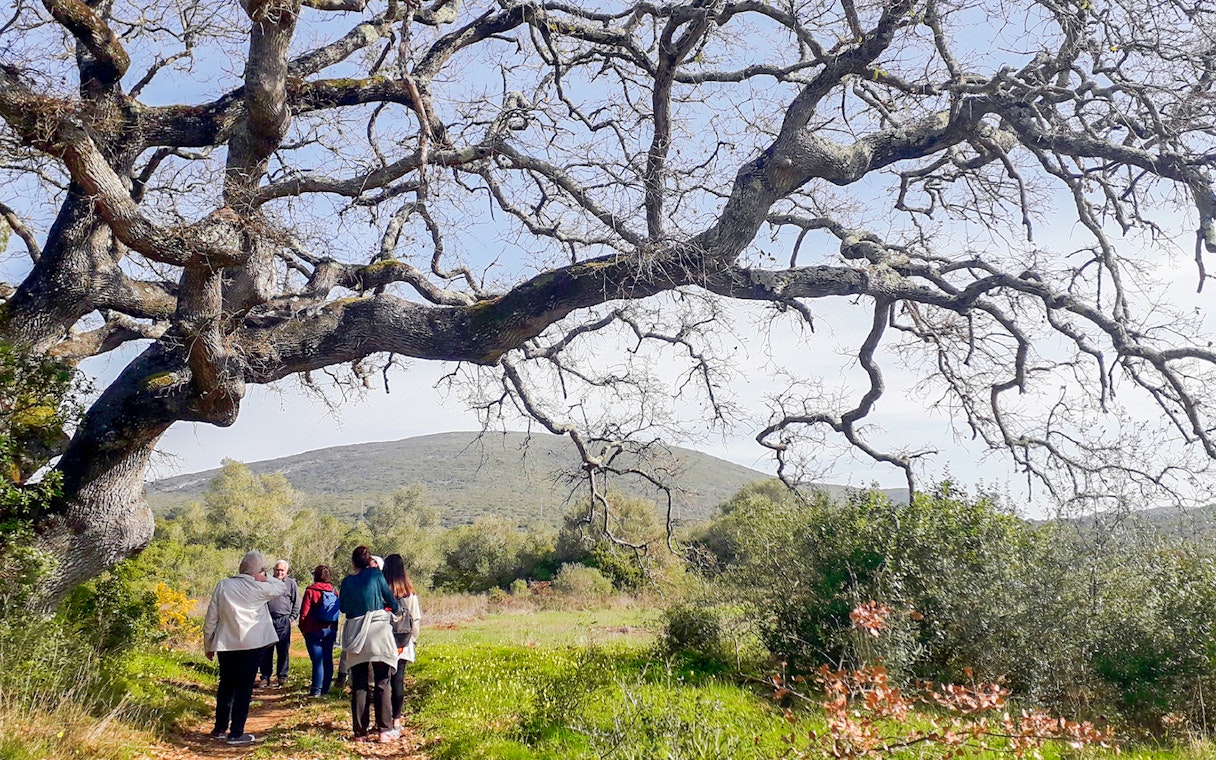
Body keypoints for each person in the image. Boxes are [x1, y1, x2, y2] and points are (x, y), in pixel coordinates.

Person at [203, 550, 287, 747]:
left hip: (226, 644)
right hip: (251, 644)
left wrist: (208, 644)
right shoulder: (260, 587)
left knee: (226, 685)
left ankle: (219, 729)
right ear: (257, 571)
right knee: (244, 688)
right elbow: (281, 587)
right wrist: (265, 577)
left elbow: (211, 618)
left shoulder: (223, 585)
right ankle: (236, 733)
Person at [340, 545, 401, 743]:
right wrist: (397, 610)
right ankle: (384, 730)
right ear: (369, 562)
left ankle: (360, 733)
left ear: (352, 562)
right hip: (378, 633)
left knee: (359, 683)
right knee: (383, 681)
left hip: (356, 634)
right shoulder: (375, 575)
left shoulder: (347, 581)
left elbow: (343, 607)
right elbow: (389, 597)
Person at [382, 554, 422, 731]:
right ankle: (396, 721)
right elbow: (416, 619)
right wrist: (411, 640)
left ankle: (382, 721)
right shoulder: (409, 593)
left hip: (382, 641)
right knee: (398, 681)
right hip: (402, 642)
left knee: (382, 681)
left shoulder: (380, 591)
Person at [258, 559, 301, 688]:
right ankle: (265, 677)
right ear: (273, 570)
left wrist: (291, 618)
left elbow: (296, 603)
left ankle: (282, 677)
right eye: (277, 569)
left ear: (286, 571)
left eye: (282, 570)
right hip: (267, 620)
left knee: (283, 650)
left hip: (284, 620)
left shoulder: (291, 584)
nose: (279, 572)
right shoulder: (267, 582)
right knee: (266, 650)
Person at [299, 565, 340, 697]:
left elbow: (304, 613)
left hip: (313, 630)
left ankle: (316, 690)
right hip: (330, 629)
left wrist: (303, 629)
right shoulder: (334, 591)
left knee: (317, 661)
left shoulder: (311, 590)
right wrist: (335, 629)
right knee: (327, 659)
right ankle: (325, 690)